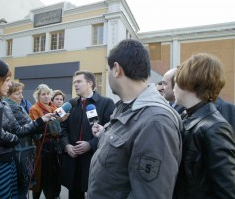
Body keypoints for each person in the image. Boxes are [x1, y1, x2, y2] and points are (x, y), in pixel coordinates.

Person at [88, 39, 182, 199]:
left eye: (107, 70)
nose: (107, 75)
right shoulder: (126, 108)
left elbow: (150, 194)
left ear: (116, 69)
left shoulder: (156, 121)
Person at [0, 71, 54, 199]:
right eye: (7, 80)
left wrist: (41, 120)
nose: (9, 84)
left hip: (10, 163)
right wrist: (13, 138)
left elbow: (18, 130)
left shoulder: (5, 104)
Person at [173, 53, 235, 199]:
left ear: (189, 82)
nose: (173, 88)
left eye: (176, 82)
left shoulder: (215, 128)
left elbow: (227, 190)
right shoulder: (186, 117)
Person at [60, 70, 115, 199]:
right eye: (74, 82)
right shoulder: (71, 104)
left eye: (79, 81)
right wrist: (67, 146)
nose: (76, 85)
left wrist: (90, 144)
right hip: (73, 159)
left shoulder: (106, 103)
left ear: (90, 83)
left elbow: (111, 131)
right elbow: (62, 129)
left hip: (93, 159)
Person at [4, 81, 37, 198]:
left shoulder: (16, 106)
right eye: (18, 94)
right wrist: (42, 121)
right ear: (8, 94)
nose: (22, 97)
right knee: (20, 190)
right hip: (20, 153)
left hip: (23, 152)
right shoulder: (12, 107)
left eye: (21, 93)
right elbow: (27, 127)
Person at [29, 84, 62, 199]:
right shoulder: (34, 109)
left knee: (53, 175)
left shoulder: (54, 108)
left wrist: (61, 120)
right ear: (38, 96)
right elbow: (36, 129)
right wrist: (55, 124)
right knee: (41, 176)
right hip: (42, 147)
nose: (46, 96)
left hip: (55, 145)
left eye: (48, 94)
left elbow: (60, 126)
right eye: (43, 94)